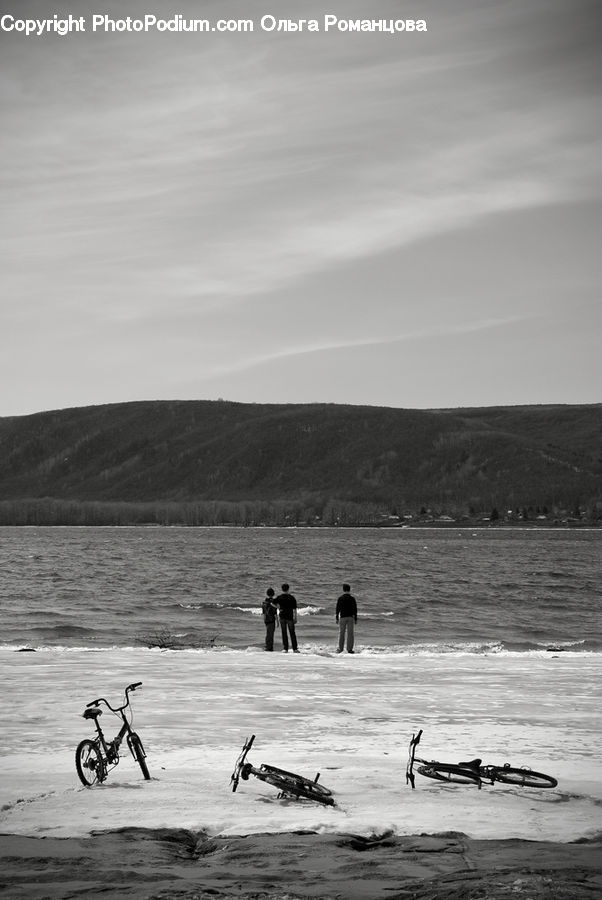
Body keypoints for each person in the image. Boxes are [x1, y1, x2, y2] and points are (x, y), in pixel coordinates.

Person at [275, 583, 299, 653]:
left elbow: (272, 603)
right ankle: (295, 649)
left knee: (284, 632)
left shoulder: (279, 597)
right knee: (292, 633)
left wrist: (278, 608)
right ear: (288, 589)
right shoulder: (292, 598)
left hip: (282, 616)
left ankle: (285, 648)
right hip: (290, 617)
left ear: (282, 589)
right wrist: (295, 617)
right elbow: (294, 609)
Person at [336, 583, 357, 654]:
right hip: (350, 617)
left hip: (342, 617)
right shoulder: (352, 598)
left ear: (343, 589)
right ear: (349, 589)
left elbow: (337, 608)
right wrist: (356, 618)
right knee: (350, 634)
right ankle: (349, 649)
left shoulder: (340, 598)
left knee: (341, 633)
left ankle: (340, 649)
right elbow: (355, 609)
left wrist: (336, 617)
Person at [261, 587, 278, 651]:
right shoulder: (274, 602)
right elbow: (275, 613)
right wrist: (277, 622)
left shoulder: (264, 602)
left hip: (266, 619)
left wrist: (264, 619)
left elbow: (263, 612)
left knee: (268, 633)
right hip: (272, 620)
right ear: (273, 594)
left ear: (267, 594)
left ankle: (268, 646)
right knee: (271, 634)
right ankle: (269, 647)